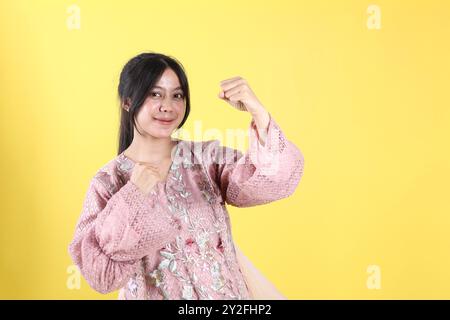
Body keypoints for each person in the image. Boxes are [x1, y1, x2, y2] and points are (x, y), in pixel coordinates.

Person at [68, 52, 305, 300]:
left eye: (177, 95)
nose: (167, 106)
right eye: (155, 94)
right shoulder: (109, 181)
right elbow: (102, 275)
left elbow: (273, 181)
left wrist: (259, 114)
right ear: (128, 101)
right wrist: (134, 195)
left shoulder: (207, 159)